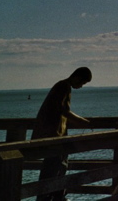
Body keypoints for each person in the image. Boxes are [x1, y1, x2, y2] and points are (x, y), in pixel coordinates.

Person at [32, 67, 92, 201]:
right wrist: (82, 121)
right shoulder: (63, 86)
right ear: (76, 77)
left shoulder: (63, 86)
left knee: (60, 164)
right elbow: (63, 110)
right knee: (53, 167)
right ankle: (46, 197)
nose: (81, 86)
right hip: (53, 136)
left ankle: (56, 196)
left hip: (57, 136)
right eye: (82, 83)